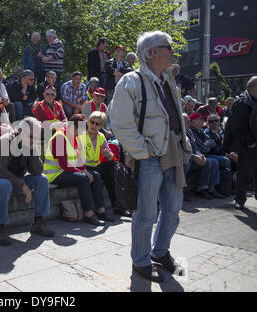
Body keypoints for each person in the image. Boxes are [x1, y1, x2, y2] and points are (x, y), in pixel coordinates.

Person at [109, 31, 192, 282]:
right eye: (168, 47)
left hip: (173, 153)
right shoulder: (131, 81)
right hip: (150, 156)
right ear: (153, 51)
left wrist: (184, 142)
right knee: (145, 213)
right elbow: (120, 122)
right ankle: (141, 260)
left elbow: (175, 115)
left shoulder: (167, 79)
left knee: (173, 209)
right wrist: (142, 150)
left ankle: (160, 251)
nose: (172, 51)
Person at [0, 117, 55, 245]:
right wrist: (22, 184)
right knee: (4, 184)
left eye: (36, 137)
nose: (34, 139)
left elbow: (37, 171)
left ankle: (38, 222)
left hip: (15, 180)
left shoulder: (29, 143)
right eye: (31, 136)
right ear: (21, 130)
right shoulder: (4, 142)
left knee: (42, 180)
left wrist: (32, 149)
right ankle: (0, 228)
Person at [44, 114, 110, 226]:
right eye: (81, 130)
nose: (82, 133)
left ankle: (101, 211)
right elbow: (64, 165)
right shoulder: (60, 137)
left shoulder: (73, 138)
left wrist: (85, 170)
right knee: (83, 179)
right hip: (54, 174)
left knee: (96, 176)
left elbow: (78, 160)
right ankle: (89, 214)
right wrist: (83, 172)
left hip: (65, 171)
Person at [223, 76, 257, 210]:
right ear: (252, 87)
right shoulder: (242, 103)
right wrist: (249, 142)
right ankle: (239, 200)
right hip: (248, 145)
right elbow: (237, 126)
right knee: (244, 173)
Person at [77, 111, 117, 222]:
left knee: (114, 168)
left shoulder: (101, 136)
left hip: (95, 166)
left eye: (97, 124)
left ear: (101, 126)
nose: (94, 125)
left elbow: (110, 156)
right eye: (92, 122)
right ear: (88, 122)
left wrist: (109, 154)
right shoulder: (81, 135)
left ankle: (118, 205)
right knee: (96, 176)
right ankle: (101, 211)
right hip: (82, 167)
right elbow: (76, 157)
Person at [186, 112, 225, 199]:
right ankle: (202, 188)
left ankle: (212, 188)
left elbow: (211, 144)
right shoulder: (191, 131)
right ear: (193, 121)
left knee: (216, 161)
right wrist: (201, 153)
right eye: (200, 120)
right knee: (210, 162)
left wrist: (204, 149)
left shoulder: (200, 131)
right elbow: (202, 146)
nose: (202, 121)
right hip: (191, 157)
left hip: (200, 154)